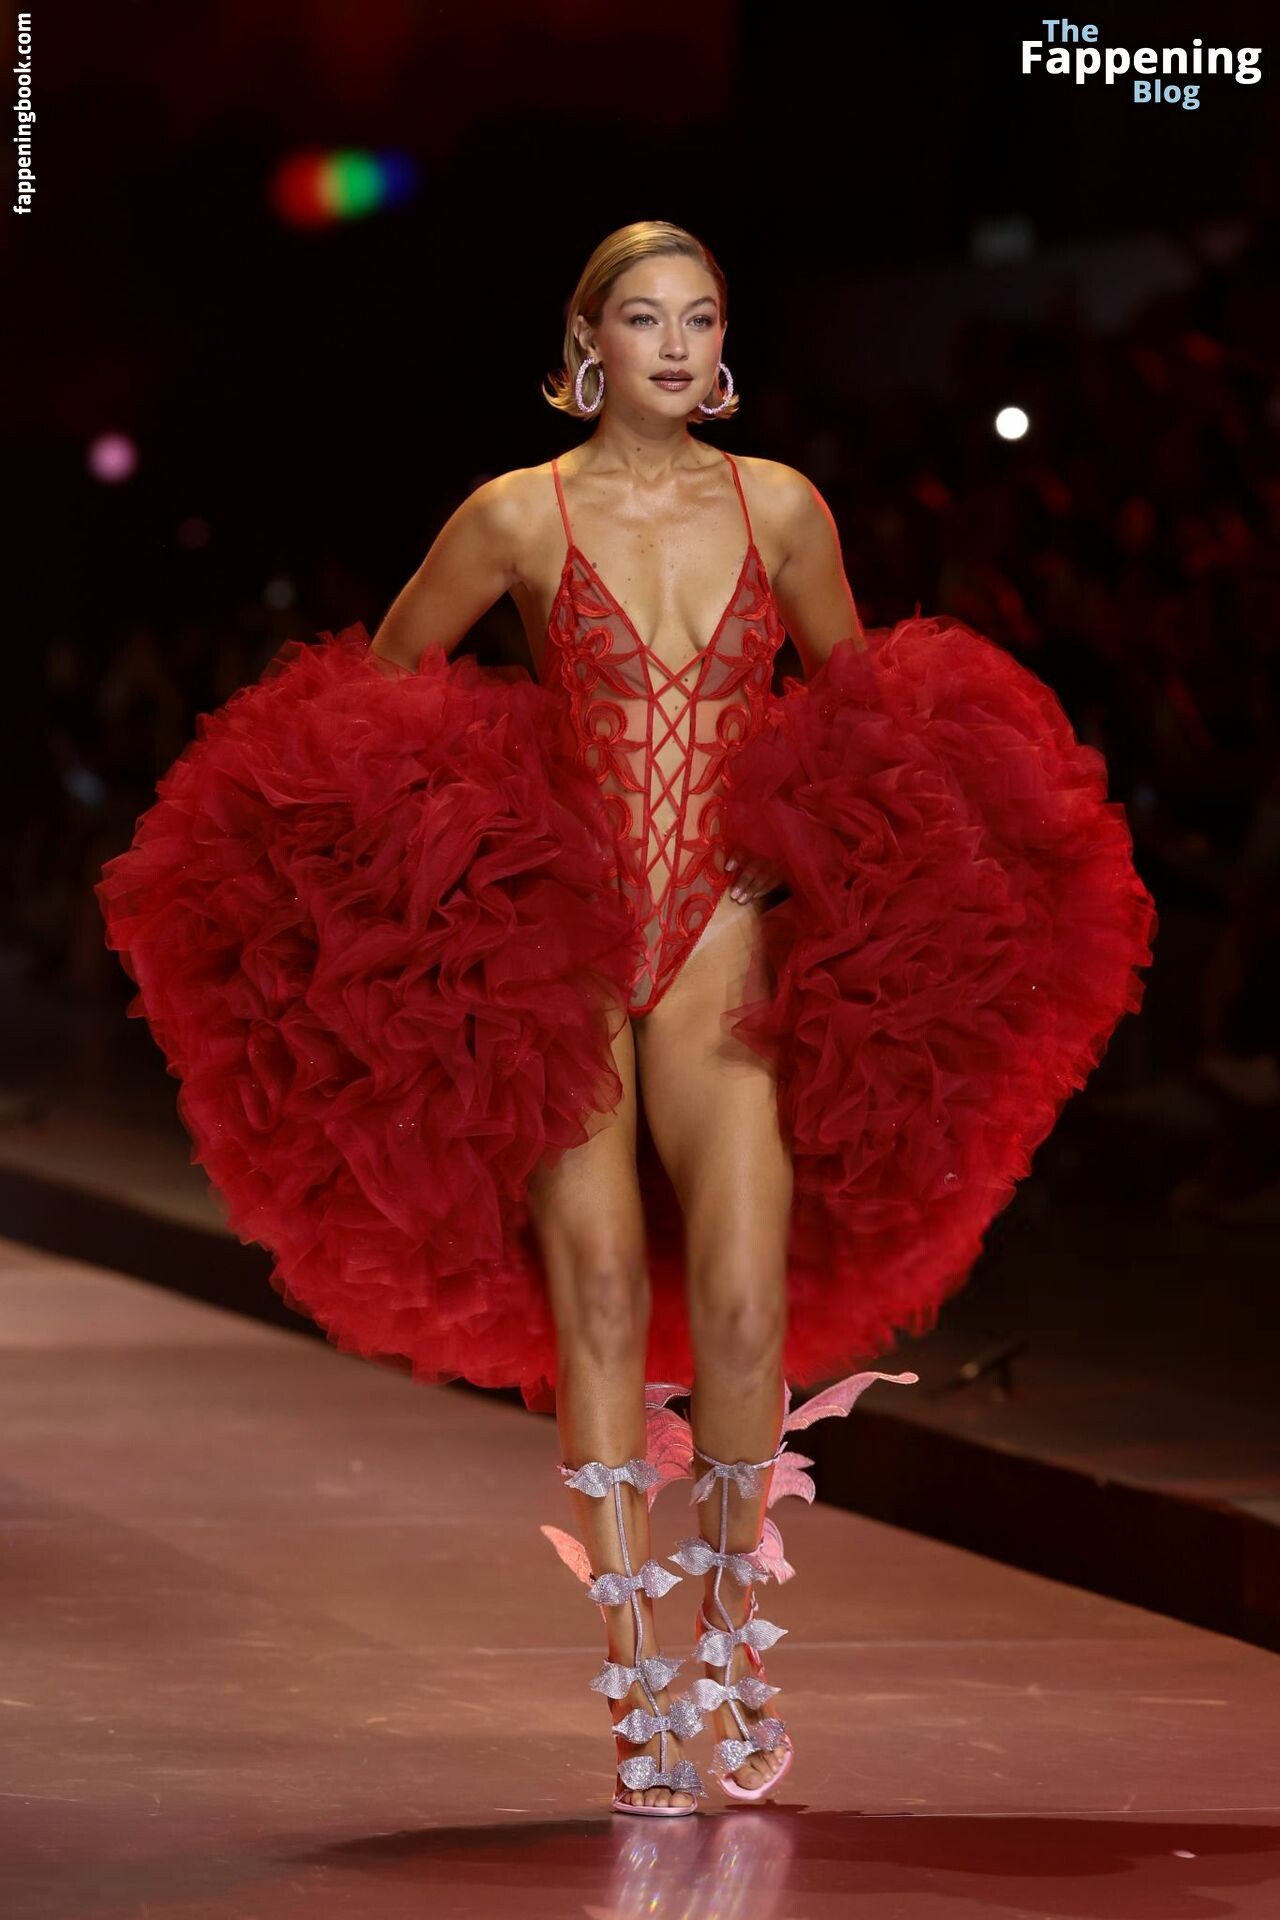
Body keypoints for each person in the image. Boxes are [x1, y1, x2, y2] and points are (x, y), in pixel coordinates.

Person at [96, 219, 1157, 1818]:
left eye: (700, 318)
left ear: (723, 343)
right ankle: (636, 1681)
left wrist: (823, 859)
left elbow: (868, 716)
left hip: (722, 936)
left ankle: (731, 1641)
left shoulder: (781, 507)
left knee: (741, 1304)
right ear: (588, 337)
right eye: (644, 318)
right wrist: (476, 867)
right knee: (594, 1289)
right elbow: (372, 704)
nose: (674, 344)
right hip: (569, 952)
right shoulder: (514, 514)